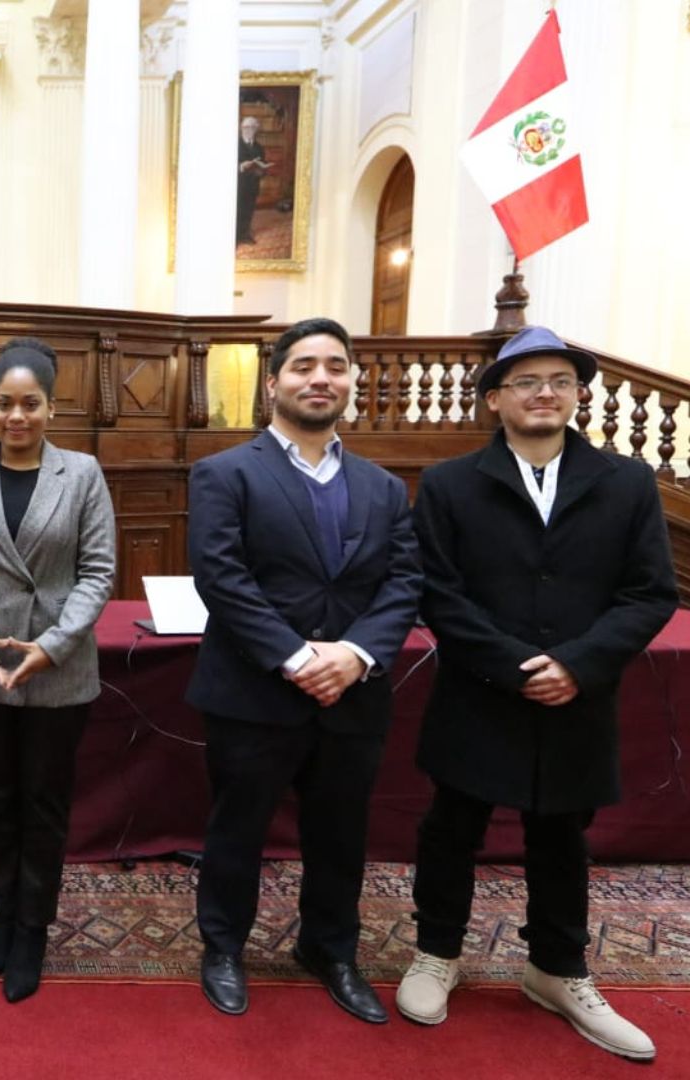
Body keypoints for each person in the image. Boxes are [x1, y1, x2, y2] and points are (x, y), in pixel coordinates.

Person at [395, 326, 678, 1061]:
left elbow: (650, 593)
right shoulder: (451, 483)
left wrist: (577, 665)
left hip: (577, 695)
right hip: (480, 691)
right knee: (451, 826)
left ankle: (557, 969)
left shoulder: (627, 483)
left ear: (579, 395)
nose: (544, 393)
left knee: (561, 836)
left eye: (560, 380)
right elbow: (437, 592)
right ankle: (436, 953)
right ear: (495, 399)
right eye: (526, 382)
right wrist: (517, 666)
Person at [184, 316, 421, 1023]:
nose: (321, 378)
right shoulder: (225, 473)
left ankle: (330, 949)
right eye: (304, 365)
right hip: (254, 690)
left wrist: (354, 654)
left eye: (336, 366)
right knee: (237, 830)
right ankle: (224, 947)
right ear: (273, 383)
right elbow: (221, 577)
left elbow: (405, 581)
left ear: (351, 382)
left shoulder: (384, 486)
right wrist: (295, 656)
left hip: (353, 692)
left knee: (341, 835)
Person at [0, 338, 117, 1004]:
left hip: (57, 669)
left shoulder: (82, 473)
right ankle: (2, 917)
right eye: (5, 403)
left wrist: (52, 646)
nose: (17, 416)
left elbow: (98, 572)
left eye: (30, 403)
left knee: (44, 802)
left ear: (51, 408)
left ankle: (33, 927)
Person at [235, 115, 272, 246]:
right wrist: (240, 166)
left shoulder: (259, 147)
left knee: (248, 211)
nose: (249, 130)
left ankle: (244, 234)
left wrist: (262, 170)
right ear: (241, 128)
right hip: (237, 185)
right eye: (246, 127)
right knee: (235, 210)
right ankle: (233, 237)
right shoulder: (234, 144)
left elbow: (262, 164)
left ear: (256, 129)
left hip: (252, 185)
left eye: (252, 127)